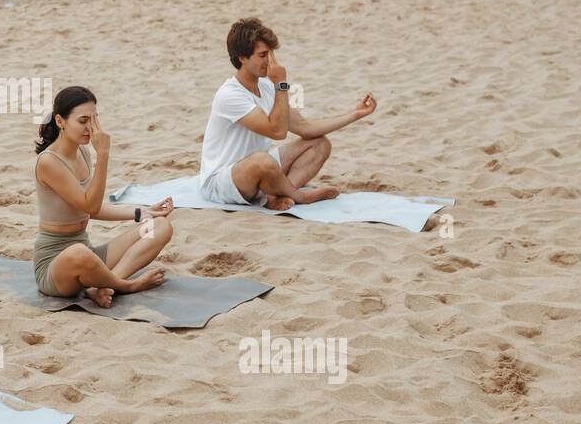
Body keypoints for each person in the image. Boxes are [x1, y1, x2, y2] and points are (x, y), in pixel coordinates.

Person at [199, 17, 378, 211]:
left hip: (260, 169)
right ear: (242, 58)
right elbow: (277, 132)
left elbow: (305, 128)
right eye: (263, 55)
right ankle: (300, 196)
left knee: (320, 144)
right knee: (262, 160)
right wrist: (281, 85)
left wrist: (355, 114)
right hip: (222, 183)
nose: (270, 62)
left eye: (271, 54)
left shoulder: (266, 87)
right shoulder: (229, 95)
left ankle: (277, 195)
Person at [33, 86, 175, 308]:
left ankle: (103, 287)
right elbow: (90, 204)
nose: (90, 128)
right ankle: (127, 285)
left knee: (160, 226)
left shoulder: (83, 152)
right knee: (78, 253)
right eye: (82, 121)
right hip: (56, 266)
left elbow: (93, 208)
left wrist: (142, 213)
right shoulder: (49, 162)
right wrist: (104, 154)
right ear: (60, 121)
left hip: (87, 252)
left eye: (94, 119)